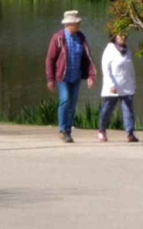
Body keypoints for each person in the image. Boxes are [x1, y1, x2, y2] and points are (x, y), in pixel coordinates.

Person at [46, 11, 96, 143]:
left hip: (76, 77)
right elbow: (50, 60)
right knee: (65, 100)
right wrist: (50, 79)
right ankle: (62, 130)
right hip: (62, 77)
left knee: (72, 104)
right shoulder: (58, 38)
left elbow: (87, 57)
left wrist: (91, 75)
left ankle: (68, 131)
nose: (79, 24)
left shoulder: (81, 37)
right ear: (70, 24)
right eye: (77, 22)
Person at [98, 31, 137, 142]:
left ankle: (130, 133)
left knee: (129, 110)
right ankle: (102, 130)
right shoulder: (109, 50)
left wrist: (133, 83)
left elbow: (131, 68)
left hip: (126, 85)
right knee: (107, 109)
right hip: (113, 86)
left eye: (125, 35)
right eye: (120, 35)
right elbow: (106, 69)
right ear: (114, 36)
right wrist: (111, 85)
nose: (123, 37)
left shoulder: (128, 50)